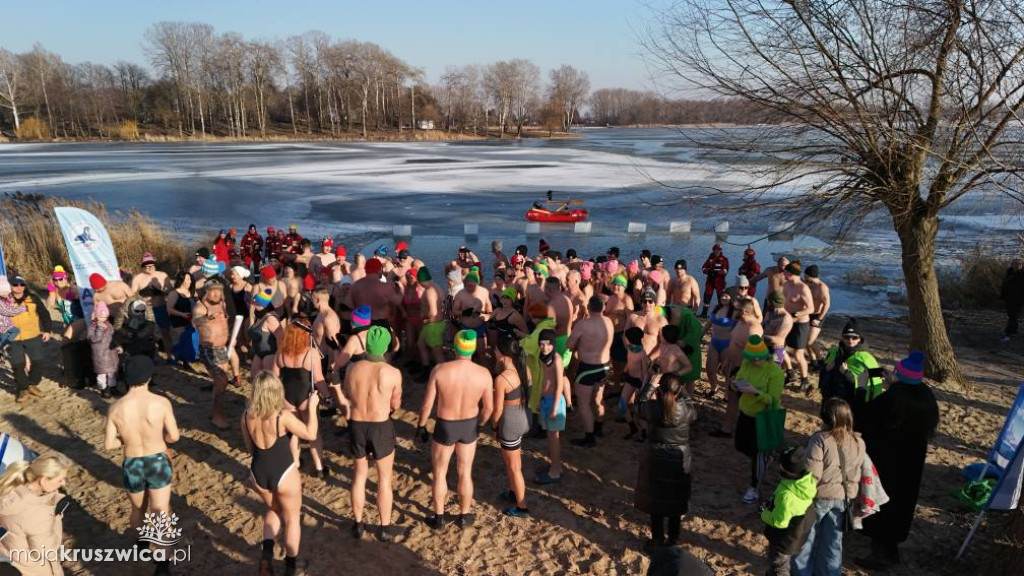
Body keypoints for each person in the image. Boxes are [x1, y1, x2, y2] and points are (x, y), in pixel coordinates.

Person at [857, 351, 939, 569]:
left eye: (895, 372)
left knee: (881, 501)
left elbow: (863, 419)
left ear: (901, 376)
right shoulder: (926, 397)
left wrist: (862, 387)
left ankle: (881, 555)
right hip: (911, 461)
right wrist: (890, 385)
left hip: (886, 459)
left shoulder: (893, 399)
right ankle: (889, 546)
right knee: (902, 503)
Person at [103, 356, 179, 574]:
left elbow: (109, 444)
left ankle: (142, 545)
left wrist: (126, 439)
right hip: (156, 459)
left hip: (132, 462)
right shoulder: (161, 403)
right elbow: (174, 436)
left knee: (138, 509)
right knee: (160, 512)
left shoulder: (116, 408)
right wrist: (159, 437)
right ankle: (163, 566)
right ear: (149, 376)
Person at [242, 372, 319, 576]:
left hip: (258, 472)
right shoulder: (281, 416)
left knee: (274, 510)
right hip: (283, 472)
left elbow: (250, 449)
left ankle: (267, 555)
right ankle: (291, 566)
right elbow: (310, 434)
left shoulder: (246, 415)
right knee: (292, 518)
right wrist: (312, 407)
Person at [416, 330, 494, 529]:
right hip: (469, 425)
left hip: (445, 424)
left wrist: (421, 425)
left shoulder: (440, 370)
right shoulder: (483, 374)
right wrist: (480, 425)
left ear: (455, 347)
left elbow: (427, 404)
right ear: (473, 348)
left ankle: (439, 517)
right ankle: (464, 515)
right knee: (465, 472)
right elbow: (489, 409)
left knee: (440, 473)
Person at [792, 398, 865, 576]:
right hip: (844, 499)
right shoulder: (858, 442)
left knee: (806, 540)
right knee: (833, 542)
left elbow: (812, 474)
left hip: (819, 497)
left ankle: (802, 573)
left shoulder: (820, 440)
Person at [343, 326, 401, 540]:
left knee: (359, 477)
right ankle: (384, 528)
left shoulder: (352, 369)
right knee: (384, 479)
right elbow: (396, 403)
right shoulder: (393, 373)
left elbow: (348, 394)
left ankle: (358, 524)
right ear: (385, 347)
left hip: (357, 424)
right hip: (380, 425)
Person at [635, 373, 697, 552]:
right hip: (680, 459)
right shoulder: (686, 410)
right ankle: (673, 539)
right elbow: (693, 407)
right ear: (678, 392)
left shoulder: (653, 408)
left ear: (659, 391)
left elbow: (639, 405)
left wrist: (650, 386)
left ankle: (657, 539)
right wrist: (682, 390)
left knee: (656, 501)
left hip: (656, 458)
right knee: (675, 501)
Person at [272, 319, 329, 478]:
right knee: (314, 433)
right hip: (306, 397)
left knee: (294, 432)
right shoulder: (311, 353)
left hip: (287, 397)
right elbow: (318, 379)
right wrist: (328, 396)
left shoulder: (280, 352)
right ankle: (319, 468)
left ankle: (295, 463)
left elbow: (275, 378)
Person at [0, 454, 73, 576]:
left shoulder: (9, 492)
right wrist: (56, 522)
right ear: (43, 480)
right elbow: (46, 551)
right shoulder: (37, 514)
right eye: (60, 479)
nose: (63, 483)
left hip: (14, 562)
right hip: (37, 570)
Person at [733, 335, 785, 504]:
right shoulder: (747, 363)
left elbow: (774, 401)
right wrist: (735, 384)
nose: (755, 361)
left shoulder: (775, 372)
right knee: (740, 445)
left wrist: (756, 392)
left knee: (758, 454)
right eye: (751, 358)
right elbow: (740, 378)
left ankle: (753, 488)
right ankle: (764, 459)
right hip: (745, 412)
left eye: (758, 358)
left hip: (763, 417)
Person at [490, 335, 532, 517]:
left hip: (510, 423)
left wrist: (494, 427)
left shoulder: (502, 379)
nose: (493, 351)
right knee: (513, 461)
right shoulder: (523, 369)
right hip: (522, 417)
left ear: (503, 353)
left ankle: (522, 507)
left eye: (496, 349)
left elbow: (497, 410)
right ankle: (512, 491)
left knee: (515, 466)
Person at [761, 447, 817, 576]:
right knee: (781, 565)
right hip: (796, 535)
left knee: (779, 568)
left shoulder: (786, 494)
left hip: (783, 539)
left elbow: (779, 521)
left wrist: (764, 514)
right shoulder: (806, 481)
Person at [568, 296, 614, 447]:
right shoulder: (609, 322)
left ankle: (590, 437)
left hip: (588, 368)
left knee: (584, 403)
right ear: (603, 308)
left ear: (589, 308)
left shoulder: (583, 325)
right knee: (598, 399)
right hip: (605, 366)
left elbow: (569, 345)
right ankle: (599, 428)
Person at [192, 280, 233, 430]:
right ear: (206, 291)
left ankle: (218, 412)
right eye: (213, 291)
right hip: (209, 349)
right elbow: (195, 321)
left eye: (219, 291)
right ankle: (217, 415)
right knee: (221, 380)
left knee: (221, 383)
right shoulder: (200, 306)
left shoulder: (222, 303)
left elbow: (225, 319)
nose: (217, 294)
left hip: (221, 348)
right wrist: (207, 318)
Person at [534, 329, 572, 484]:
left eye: (548, 345)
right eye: (542, 345)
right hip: (545, 400)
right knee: (550, 438)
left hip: (554, 401)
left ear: (553, 345)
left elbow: (559, 385)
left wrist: (555, 408)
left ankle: (555, 472)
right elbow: (542, 379)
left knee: (554, 438)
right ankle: (556, 466)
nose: (544, 348)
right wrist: (538, 399)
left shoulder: (557, 359)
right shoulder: (542, 357)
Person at [819, 319, 884, 408]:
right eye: (847, 337)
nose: (850, 340)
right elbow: (824, 374)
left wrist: (847, 373)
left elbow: (878, 382)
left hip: (853, 401)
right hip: (831, 396)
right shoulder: (834, 351)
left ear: (860, 338)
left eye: (854, 337)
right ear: (842, 337)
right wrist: (826, 369)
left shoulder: (867, 358)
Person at [7, 276, 52, 404]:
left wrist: (47, 330)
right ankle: (23, 389)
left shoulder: (33, 298)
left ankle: (32, 384)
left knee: (38, 361)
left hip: (33, 335)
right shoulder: (5, 300)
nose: (19, 287)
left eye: (21, 284)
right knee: (17, 364)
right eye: (15, 284)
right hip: (13, 337)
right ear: (10, 286)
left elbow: (44, 314)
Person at [131, 252, 174, 358]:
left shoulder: (162, 275)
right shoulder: (138, 278)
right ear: (142, 267)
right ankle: (151, 357)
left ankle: (170, 356)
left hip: (161, 308)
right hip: (146, 310)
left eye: (151, 265)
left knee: (165, 333)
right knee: (148, 335)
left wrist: (164, 290)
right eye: (146, 266)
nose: (150, 268)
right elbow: (131, 296)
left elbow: (171, 292)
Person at [782, 261, 814, 393]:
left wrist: (797, 314)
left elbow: (811, 308)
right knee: (779, 347)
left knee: (798, 353)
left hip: (800, 323)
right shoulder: (786, 284)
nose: (783, 274)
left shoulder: (803, 288)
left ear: (792, 274)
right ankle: (790, 372)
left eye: (785, 272)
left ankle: (805, 380)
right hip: (786, 320)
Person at [452, 270, 492, 361]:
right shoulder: (460, 294)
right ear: (465, 282)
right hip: (465, 328)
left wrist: (486, 317)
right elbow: (454, 311)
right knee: (465, 356)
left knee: (481, 353)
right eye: (468, 281)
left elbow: (489, 310)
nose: (469, 283)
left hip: (479, 327)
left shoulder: (484, 292)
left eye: (472, 281)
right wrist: (464, 313)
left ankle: (482, 371)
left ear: (476, 282)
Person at [87, 301, 119, 398]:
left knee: (111, 372)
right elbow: (94, 339)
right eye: (101, 317)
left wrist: (117, 345)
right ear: (96, 315)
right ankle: (103, 389)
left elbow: (113, 336)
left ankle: (112, 387)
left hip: (110, 353)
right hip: (100, 354)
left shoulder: (109, 325)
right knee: (101, 374)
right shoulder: (92, 327)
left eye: (105, 317)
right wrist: (100, 329)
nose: (103, 319)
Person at [248, 289, 282, 376]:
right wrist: (251, 316)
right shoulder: (259, 316)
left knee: (269, 382)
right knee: (255, 379)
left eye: (255, 302)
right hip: (259, 353)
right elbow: (251, 332)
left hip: (270, 354)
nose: (252, 303)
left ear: (261, 304)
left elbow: (280, 337)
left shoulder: (270, 318)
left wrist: (279, 356)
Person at [803, 265, 830, 370]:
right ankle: (813, 360)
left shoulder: (822, 287)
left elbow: (827, 305)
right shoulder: (808, 284)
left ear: (810, 275)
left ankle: (821, 361)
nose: (804, 277)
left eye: (806, 275)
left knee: (810, 341)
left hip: (818, 315)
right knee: (805, 340)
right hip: (808, 314)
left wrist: (819, 318)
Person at [762, 291, 793, 368]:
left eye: (768, 301)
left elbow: (777, 340)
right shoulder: (769, 313)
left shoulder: (786, 319)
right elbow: (761, 326)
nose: (767, 303)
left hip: (777, 350)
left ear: (772, 302)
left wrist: (759, 336)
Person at [700, 244, 729, 318]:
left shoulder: (724, 259)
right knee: (707, 297)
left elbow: (725, 270)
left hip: (719, 282)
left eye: (719, 250)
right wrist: (708, 271)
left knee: (721, 298)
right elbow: (703, 268)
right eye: (716, 250)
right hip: (710, 281)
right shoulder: (710, 258)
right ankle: (704, 314)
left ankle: (721, 315)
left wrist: (717, 272)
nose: (717, 251)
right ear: (713, 250)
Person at [1002, 257, 1024, 341]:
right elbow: (1005, 285)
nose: (1018, 266)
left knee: (1014, 317)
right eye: (1016, 264)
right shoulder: (1009, 273)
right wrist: (1003, 296)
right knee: (1011, 316)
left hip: (1019, 299)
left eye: (1020, 264)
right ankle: (1012, 332)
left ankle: (1009, 333)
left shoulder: (1022, 274)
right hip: (1009, 298)